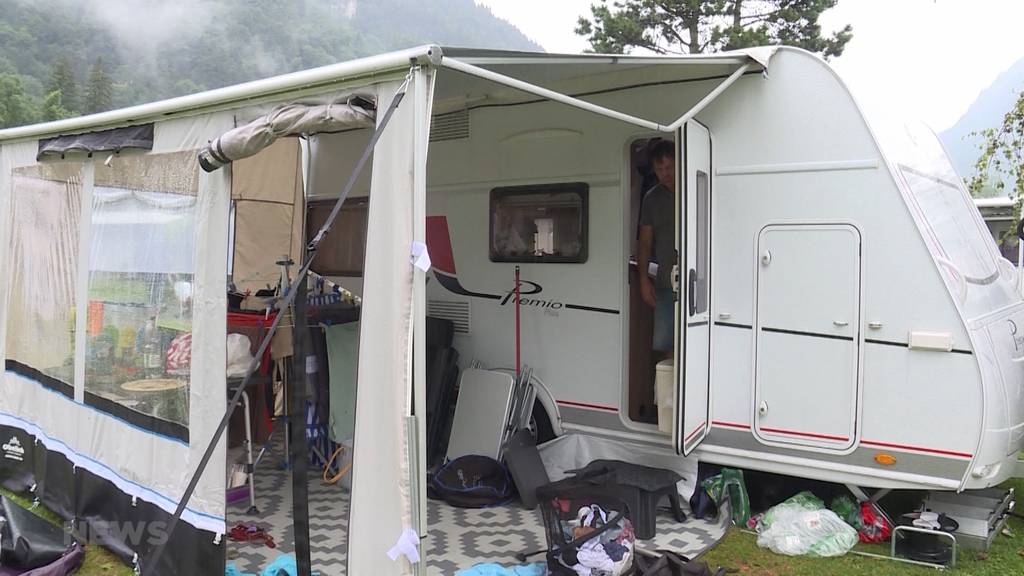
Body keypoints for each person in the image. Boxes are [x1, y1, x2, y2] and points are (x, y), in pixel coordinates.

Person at [638, 139, 676, 360]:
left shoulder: (695, 188)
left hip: (696, 287)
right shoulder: (652, 199)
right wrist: (644, 280)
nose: (665, 173)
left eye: (669, 167)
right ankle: (668, 393)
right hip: (665, 283)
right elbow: (644, 243)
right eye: (660, 169)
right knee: (667, 346)